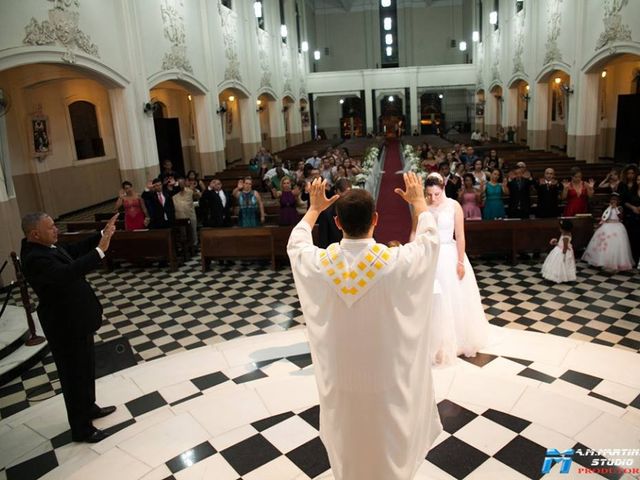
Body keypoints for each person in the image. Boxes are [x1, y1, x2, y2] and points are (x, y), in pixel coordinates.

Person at [287, 174, 442, 480]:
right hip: (386, 380)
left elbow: (297, 242)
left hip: (343, 380)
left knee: (349, 442)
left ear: (338, 223)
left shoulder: (320, 264)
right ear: (376, 219)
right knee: (386, 442)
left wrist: (313, 209)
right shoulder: (396, 262)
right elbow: (429, 242)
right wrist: (419, 202)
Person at [20, 212, 119, 443]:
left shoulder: (48, 247)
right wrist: (100, 251)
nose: (56, 230)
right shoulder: (34, 258)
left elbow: (73, 251)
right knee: (73, 376)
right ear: (35, 233)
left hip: (77, 319)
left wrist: (102, 234)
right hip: (63, 324)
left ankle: (89, 407)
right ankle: (81, 429)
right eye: (51, 227)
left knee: (85, 368)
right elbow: (67, 273)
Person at [423, 173, 488, 366]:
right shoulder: (424, 207)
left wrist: (460, 262)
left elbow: (460, 235)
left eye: (436, 193)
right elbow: (416, 232)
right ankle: (436, 340)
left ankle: (458, 339)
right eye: (429, 194)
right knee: (434, 298)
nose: (432, 198)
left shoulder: (453, 206)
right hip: (431, 255)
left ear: (442, 188)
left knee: (454, 296)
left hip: (450, 254)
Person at [582, 194, 635, 271]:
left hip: (616, 226)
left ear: (618, 201)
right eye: (612, 199)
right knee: (602, 243)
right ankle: (599, 261)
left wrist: (615, 209)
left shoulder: (620, 208)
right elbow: (604, 217)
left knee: (614, 244)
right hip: (606, 226)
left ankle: (614, 263)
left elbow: (621, 217)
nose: (613, 201)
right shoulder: (607, 208)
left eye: (615, 200)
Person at [318, 178, 351, 248]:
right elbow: (323, 242)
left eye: (349, 196)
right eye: (343, 196)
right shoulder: (326, 213)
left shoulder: (356, 210)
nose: (346, 199)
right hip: (333, 254)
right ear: (336, 192)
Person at [620, 169, 640, 263]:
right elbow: (625, 201)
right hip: (633, 216)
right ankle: (634, 259)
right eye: (638, 180)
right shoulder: (633, 190)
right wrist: (633, 208)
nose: (639, 182)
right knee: (634, 237)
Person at [173, 177, 200, 246]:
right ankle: (186, 249)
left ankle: (195, 247)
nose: (181, 184)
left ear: (185, 183)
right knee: (183, 235)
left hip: (190, 216)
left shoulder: (190, 191)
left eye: (182, 183)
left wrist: (194, 189)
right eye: (179, 183)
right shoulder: (174, 195)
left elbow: (198, 196)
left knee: (193, 233)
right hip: (180, 218)